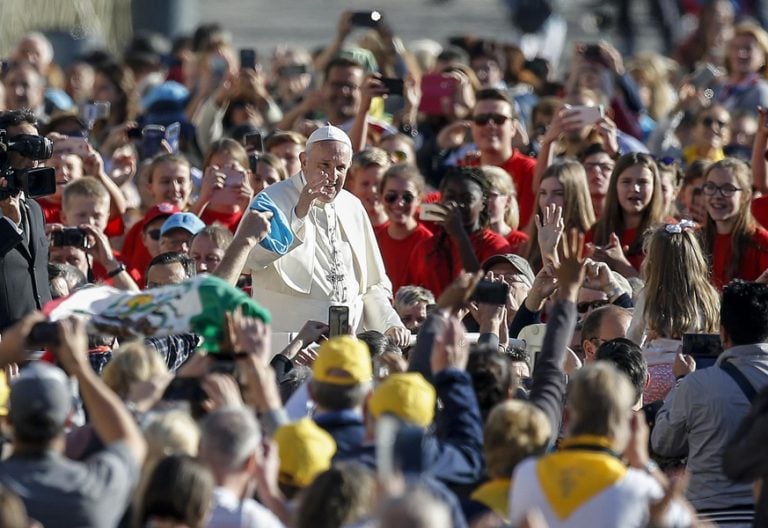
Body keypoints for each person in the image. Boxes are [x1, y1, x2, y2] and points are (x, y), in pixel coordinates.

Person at [241, 124, 408, 344]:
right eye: (324, 165)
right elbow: (247, 261)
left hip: (347, 346)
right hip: (289, 346)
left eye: (340, 167)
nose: (332, 175)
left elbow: (371, 285)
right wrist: (298, 215)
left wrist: (390, 323)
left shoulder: (353, 206)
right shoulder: (270, 199)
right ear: (304, 161)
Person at [0, 315, 146, 527]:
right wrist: (80, 367)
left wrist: (4, 351)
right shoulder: (91, 492)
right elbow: (130, 442)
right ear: (69, 418)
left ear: (9, 421)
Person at [509, 363, 692, 527]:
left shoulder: (525, 475)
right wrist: (645, 464)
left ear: (566, 416)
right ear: (628, 423)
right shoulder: (640, 489)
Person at [652, 281, 768, 525]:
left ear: (723, 333)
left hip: (708, 517)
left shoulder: (696, 385)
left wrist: (681, 381)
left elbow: (663, 442)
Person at [628, 223, 720, 404]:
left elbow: (633, 337)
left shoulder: (650, 296)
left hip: (655, 376)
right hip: (698, 375)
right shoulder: (709, 296)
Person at [403, 167, 511, 298]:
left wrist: (459, 236)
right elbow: (408, 297)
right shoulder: (426, 248)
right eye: (450, 197)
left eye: (467, 199)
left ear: (483, 203)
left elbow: (490, 297)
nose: (457, 205)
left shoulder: (496, 246)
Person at [0, 109, 52, 331]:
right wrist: (10, 224)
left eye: (37, 148)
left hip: (41, 344)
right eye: (23, 147)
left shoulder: (34, 208)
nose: (32, 159)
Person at [199, 407, 284, 528]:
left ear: (200, 450)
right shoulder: (252, 519)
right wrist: (271, 494)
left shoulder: (174, 509)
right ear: (251, 461)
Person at [588, 152, 665, 277]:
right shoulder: (597, 231)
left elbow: (657, 293)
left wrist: (620, 264)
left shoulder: (667, 234)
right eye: (626, 181)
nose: (634, 188)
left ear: (654, 187)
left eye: (642, 182)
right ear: (615, 186)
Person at [468, 88, 536, 227]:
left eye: (499, 119)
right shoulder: (465, 170)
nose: (490, 125)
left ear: (513, 127)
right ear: (472, 127)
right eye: (482, 120)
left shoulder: (531, 170)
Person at [701, 158, 768, 290]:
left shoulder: (761, 243)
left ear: (745, 196)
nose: (717, 195)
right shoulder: (694, 239)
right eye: (710, 187)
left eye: (728, 189)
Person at [374, 164, 433, 294]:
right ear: (380, 196)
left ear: (419, 199)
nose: (399, 204)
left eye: (407, 197)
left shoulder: (429, 243)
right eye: (391, 196)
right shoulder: (374, 239)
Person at [528, 160, 595, 271]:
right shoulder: (529, 243)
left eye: (558, 193)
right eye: (543, 193)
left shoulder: (592, 242)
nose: (547, 201)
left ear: (575, 197)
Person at [192, 138, 254, 232]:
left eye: (232, 168)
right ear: (205, 175)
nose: (224, 175)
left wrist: (248, 210)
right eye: (218, 168)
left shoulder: (256, 216)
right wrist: (202, 200)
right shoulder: (196, 214)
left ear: (247, 176)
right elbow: (181, 236)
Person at [482, 165, 528, 254]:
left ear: (508, 201)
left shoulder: (522, 243)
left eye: (491, 195)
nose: (484, 202)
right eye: (480, 195)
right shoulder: (469, 242)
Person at [346, 147, 391, 227]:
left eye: (378, 183)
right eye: (365, 184)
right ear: (351, 186)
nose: (372, 190)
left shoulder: (402, 228)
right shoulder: (344, 225)